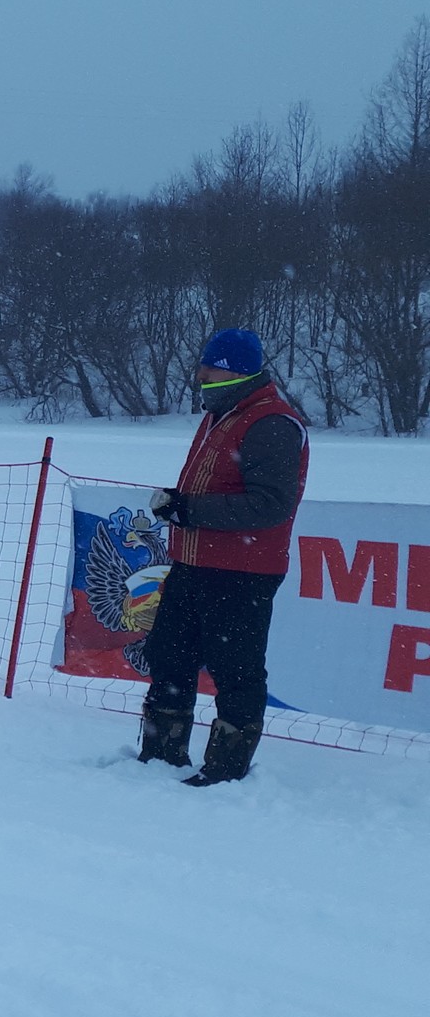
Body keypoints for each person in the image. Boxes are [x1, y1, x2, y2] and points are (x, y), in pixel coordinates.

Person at [136, 328, 310, 787]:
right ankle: (160, 755)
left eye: (208, 364)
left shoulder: (270, 422)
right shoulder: (223, 413)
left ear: (230, 370)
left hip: (242, 572)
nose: (200, 371)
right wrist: (181, 503)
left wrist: (189, 509)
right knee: (169, 657)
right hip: (194, 563)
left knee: (236, 671)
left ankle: (226, 771)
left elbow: (271, 504)